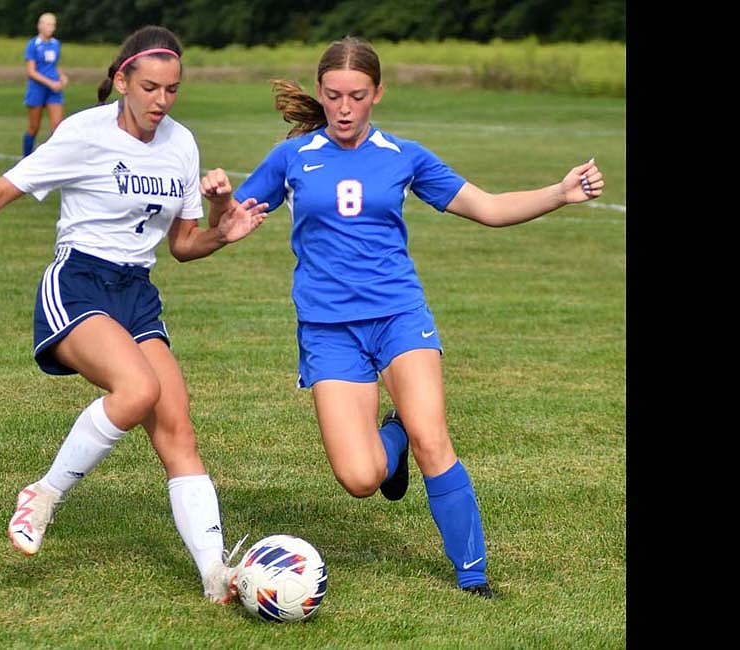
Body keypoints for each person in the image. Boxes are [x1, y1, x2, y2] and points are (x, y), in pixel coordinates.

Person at [206, 36, 605, 600]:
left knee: (433, 437)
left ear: (378, 95)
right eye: (334, 95)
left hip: (399, 315)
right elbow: (230, 222)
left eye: (358, 96)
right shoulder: (291, 158)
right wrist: (222, 203)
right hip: (328, 330)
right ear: (320, 93)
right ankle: (391, 439)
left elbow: (486, 207)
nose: (345, 108)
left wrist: (560, 193)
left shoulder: (404, 155)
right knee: (360, 478)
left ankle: (473, 578)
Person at [0, 25, 269, 604]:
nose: (160, 101)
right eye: (149, 87)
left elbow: (183, 245)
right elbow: (7, 186)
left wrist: (224, 230)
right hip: (80, 281)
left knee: (178, 430)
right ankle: (43, 495)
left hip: (137, 293)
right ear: (122, 81)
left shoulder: (182, 144)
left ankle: (215, 574)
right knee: (136, 388)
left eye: (172, 89)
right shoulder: (83, 133)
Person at [22, 12, 69, 157]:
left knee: (58, 127)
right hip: (38, 89)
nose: (51, 28)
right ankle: (26, 158)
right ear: (40, 26)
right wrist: (50, 83)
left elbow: (53, 66)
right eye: (48, 24)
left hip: (54, 90)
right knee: (33, 127)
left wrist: (62, 77)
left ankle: (50, 158)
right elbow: (31, 71)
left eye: (53, 25)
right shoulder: (33, 45)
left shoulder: (56, 44)